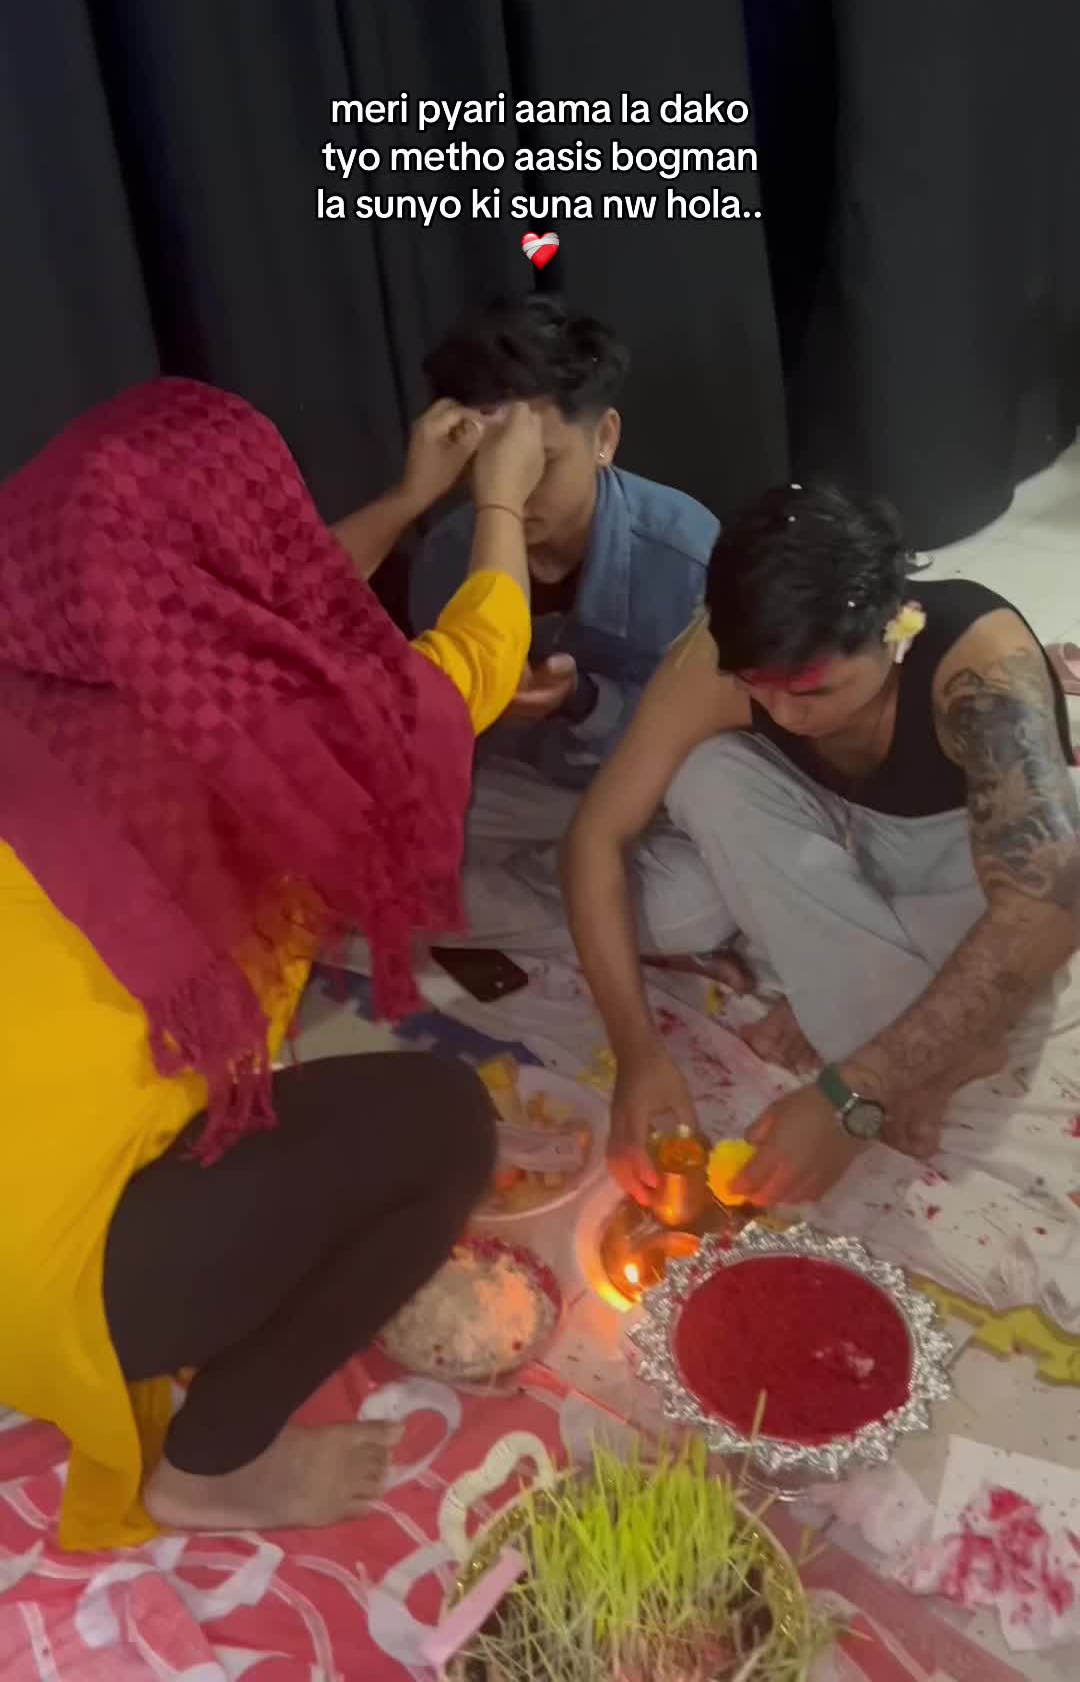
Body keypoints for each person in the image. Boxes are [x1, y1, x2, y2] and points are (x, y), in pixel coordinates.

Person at [0, 376, 545, 1551]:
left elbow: (229, 626)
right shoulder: (215, 739)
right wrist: (499, 506)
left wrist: (406, 501)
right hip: (43, 1288)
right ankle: (214, 1466)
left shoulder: (41, 648)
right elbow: (454, 684)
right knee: (441, 1126)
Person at [562, 482, 1080, 1209]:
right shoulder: (716, 655)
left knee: (1014, 939)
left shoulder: (981, 667)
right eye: (756, 686)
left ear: (895, 630)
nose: (782, 713)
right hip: (835, 833)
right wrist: (637, 1053)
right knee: (706, 774)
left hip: (954, 859)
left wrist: (856, 1092)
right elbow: (596, 836)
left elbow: (1050, 903)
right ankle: (855, 1002)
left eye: (812, 691)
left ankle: (896, 1030)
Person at [408, 293, 720, 951]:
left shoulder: (687, 553)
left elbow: (705, 743)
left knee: (695, 906)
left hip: (644, 798)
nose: (509, 492)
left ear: (604, 438)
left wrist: (583, 700)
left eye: (538, 464)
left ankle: (522, 904)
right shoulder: (447, 552)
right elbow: (439, 737)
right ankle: (579, 909)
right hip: (517, 788)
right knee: (364, 836)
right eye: (490, 466)